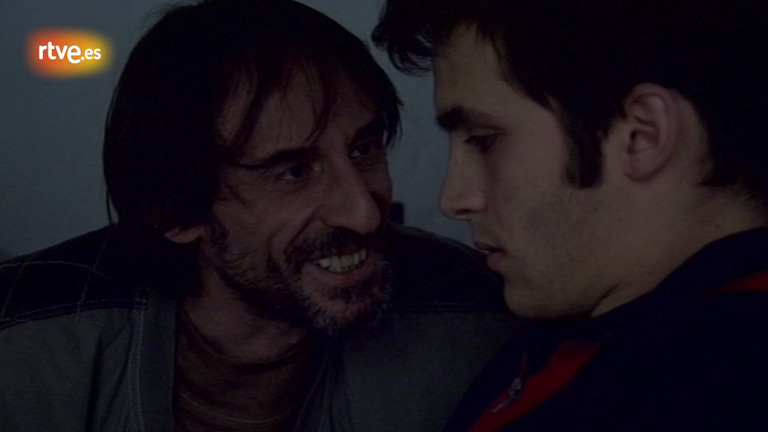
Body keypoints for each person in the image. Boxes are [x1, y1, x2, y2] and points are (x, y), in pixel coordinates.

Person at [0, 1, 517, 431]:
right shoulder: (26, 352)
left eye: (364, 149)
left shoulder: (480, 323)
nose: (363, 213)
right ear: (173, 210)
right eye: (293, 172)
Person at [373, 0, 768, 430]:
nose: (454, 199)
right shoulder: (594, 323)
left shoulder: (711, 389)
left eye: (485, 140)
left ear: (641, 135)